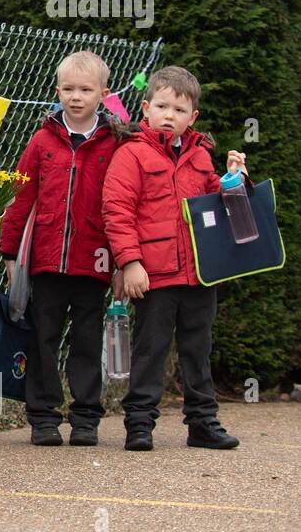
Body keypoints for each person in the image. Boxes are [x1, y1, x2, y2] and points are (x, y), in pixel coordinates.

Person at [102, 66, 244, 451]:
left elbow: (221, 207)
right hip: (154, 275)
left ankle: (202, 423)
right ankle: (139, 424)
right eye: (162, 106)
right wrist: (129, 262)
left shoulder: (200, 157)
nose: (169, 115)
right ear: (145, 108)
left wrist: (233, 179)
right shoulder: (131, 154)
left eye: (179, 110)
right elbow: (117, 211)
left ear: (192, 117)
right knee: (151, 349)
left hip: (200, 275)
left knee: (198, 350)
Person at [0, 51, 127, 446]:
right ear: (57, 91)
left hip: (95, 262)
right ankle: (43, 417)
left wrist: (124, 261)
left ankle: (86, 417)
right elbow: (21, 197)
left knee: (87, 342)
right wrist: (9, 254)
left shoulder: (115, 143)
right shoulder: (42, 141)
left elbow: (122, 204)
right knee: (43, 339)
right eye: (68, 89)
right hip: (46, 260)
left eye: (85, 90)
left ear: (102, 94)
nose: (76, 97)